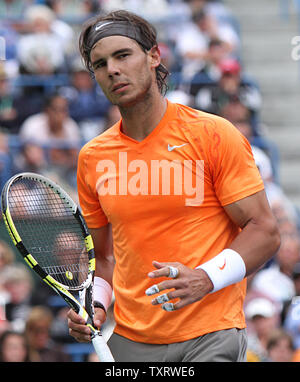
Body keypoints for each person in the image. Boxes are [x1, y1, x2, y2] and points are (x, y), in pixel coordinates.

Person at [67, 9, 280, 362]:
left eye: (123, 55)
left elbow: (266, 231)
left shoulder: (213, 134)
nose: (112, 70)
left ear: (154, 56)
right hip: (130, 341)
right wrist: (97, 304)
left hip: (210, 335)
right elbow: (102, 258)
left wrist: (204, 278)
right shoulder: (92, 156)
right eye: (100, 64)